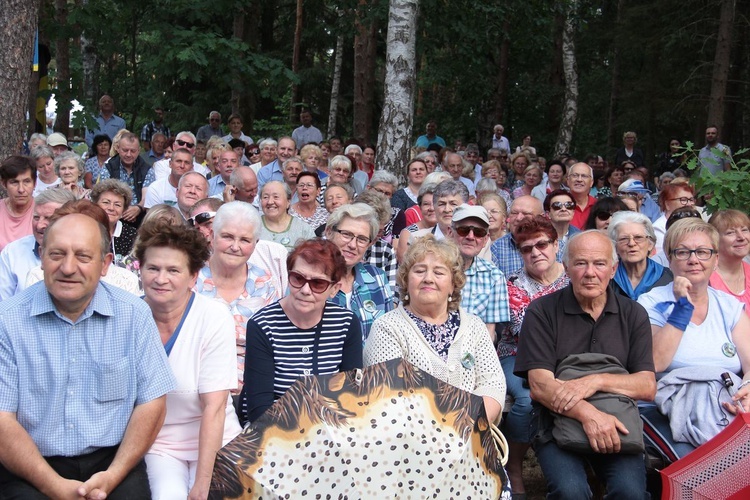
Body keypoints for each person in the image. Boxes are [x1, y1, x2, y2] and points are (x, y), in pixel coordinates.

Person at [0, 212, 175, 498]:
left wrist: (114, 474)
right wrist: (52, 485)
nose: (68, 267)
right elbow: (2, 419)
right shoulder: (7, 321)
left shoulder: (134, 315)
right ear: (42, 256)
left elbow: (152, 403)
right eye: (57, 254)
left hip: (113, 462)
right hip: (30, 464)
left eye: (83, 256)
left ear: (105, 264)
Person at [515, 230, 656, 499]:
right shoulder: (542, 311)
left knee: (631, 493)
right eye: (581, 263)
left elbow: (646, 386)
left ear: (613, 269)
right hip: (556, 420)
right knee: (571, 492)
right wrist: (590, 415)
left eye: (599, 263)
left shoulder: (633, 314)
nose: (590, 272)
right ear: (566, 268)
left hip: (617, 422)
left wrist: (595, 380)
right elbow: (540, 385)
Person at [135, 220, 242, 499]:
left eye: (173, 270)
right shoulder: (130, 318)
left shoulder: (213, 316)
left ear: (193, 277)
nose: (161, 279)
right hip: (159, 443)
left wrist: (202, 485)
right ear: (140, 269)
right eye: (153, 268)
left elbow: (215, 409)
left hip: (216, 439)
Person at [637, 219, 750, 462]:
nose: (693, 259)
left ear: (716, 259)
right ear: (669, 259)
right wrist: (682, 308)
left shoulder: (729, 306)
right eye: (683, 252)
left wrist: (748, 388)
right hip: (667, 408)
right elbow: (656, 362)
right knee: (706, 462)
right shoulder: (650, 303)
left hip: (726, 403)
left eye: (703, 252)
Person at [364, 235, 506, 424]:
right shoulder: (387, 327)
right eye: (419, 271)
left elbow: (492, 383)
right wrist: (444, 433)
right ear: (406, 280)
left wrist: (470, 426)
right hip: (410, 445)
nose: (428, 278)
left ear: (453, 285)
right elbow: (388, 396)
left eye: (439, 272)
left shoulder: (474, 326)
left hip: (471, 437)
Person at [241, 239, 362, 423]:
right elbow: (259, 409)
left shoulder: (346, 324)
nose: (305, 290)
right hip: (274, 428)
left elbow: (351, 395)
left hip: (330, 425)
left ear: (334, 289)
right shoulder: (262, 325)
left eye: (318, 284)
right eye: (298, 278)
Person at [496, 215, 570, 498]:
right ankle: (514, 465)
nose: (535, 252)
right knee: (527, 399)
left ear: (555, 244)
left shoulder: (574, 278)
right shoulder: (513, 284)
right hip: (517, 355)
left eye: (542, 244)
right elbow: (522, 330)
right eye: (527, 248)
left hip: (568, 358)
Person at [194, 201, 284, 392]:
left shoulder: (263, 283)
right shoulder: (191, 278)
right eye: (227, 237)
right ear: (211, 236)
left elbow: (273, 345)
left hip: (250, 388)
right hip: (196, 383)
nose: (235, 247)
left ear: (255, 244)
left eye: (245, 240)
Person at [326, 204, 395, 341]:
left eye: (362, 239)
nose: (353, 245)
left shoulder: (378, 278)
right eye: (346, 234)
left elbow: (391, 337)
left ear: (370, 244)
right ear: (329, 232)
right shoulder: (311, 280)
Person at [448, 204, 509, 343]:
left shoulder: (494, 276)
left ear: (486, 239)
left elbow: (490, 331)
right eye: (463, 230)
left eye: (478, 232)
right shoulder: (432, 269)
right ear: (450, 232)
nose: (471, 236)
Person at [0, 188, 75, 301]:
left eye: (48, 218)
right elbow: (3, 305)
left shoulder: (85, 254)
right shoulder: (12, 252)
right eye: (36, 217)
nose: (39, 225)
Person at [608, 211, 673, 300]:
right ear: (615, 246)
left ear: (650, 244)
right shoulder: (607, 277)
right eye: (624, 239)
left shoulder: (667, 277)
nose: (631, 243)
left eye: (638, 237)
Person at [99, 133, 154, 223]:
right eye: (125, 150)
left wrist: (138, 208)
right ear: (118, 148)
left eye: (133, 151)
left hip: (139, 216)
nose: (128, 154)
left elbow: (147, 197)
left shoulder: (147, 169)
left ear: (138, 151)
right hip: (113, 215)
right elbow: (104, 195)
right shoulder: (109, 167)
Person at [491, 195, 544, 276]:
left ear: (541, 217)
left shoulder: (555, 246)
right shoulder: (497, 248)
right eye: (514, 213)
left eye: (526, 213)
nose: (519, 218)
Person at [709, 210, 750, 314]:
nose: (741, 237)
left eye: (744, 230)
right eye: (730, 233)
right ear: (715, 239)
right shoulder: (705, 278)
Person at [259, 181, 315, 250]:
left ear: (288, 201)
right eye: (265, 197)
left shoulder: (303, 229)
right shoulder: (252, 226)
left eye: (276, 197)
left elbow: (314, 257)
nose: (270, 202)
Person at [91, 179, 138, 259]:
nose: (111, 208)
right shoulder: (86, 229)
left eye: (117, 205)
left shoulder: (131, 235)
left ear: (123, 210)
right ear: (95, 205)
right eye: (106, 202)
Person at [0, 155, 36, 252]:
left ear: (35, 183)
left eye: (26, 182)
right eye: (14, 182)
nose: (21, 189)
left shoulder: (43, 212)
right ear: (4, 184)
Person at [397, 182, 439, 261]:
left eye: (435, 203)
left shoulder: (448, 230)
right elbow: (404, 266)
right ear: (420, 207)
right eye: (426, 204)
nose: (431, 208)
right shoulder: (408, 233)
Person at [653, 181, 698, 252]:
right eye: (683, 200)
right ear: (667, 204)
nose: (689, 204)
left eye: (691, 200)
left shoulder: (697, 223)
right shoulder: (658, 229)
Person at [544, 189, 580, 259]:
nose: (564, 209)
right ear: (548, 214)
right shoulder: (539, 237)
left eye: (569, 205)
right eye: (557, 206)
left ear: (573, 212)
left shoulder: (580, 237)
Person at [567, 162, 597, 229]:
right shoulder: (558, 206)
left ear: (591, 182)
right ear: (568, 180)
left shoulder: (597, 205)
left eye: (584, 176)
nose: (579, 179)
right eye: (575, 175)